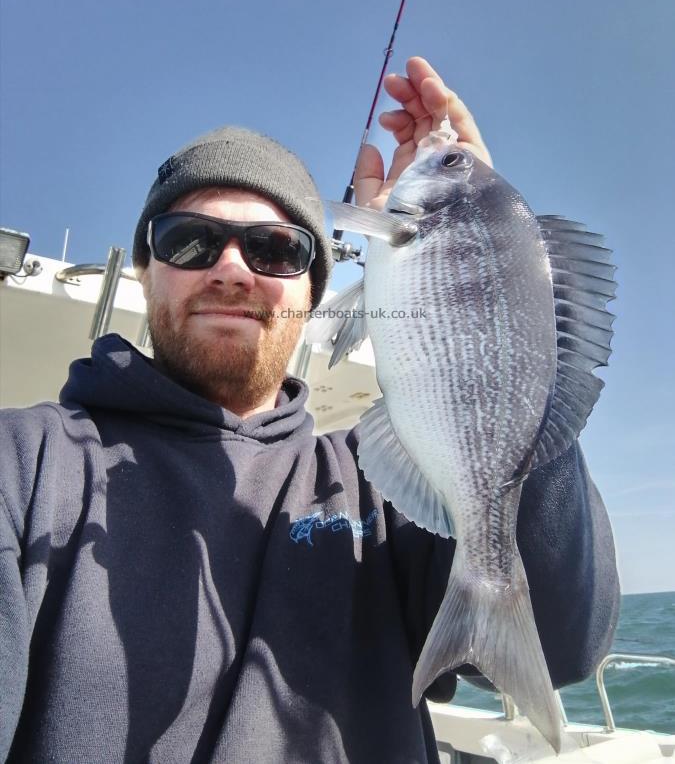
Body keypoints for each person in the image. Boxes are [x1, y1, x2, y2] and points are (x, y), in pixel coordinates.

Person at [0, 58, 620, 764]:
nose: (231, 267)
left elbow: (565, 640)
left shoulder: (379, 482)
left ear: (312, 288)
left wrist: (503, 292)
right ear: (147, 269)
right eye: (188, 239)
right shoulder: (24, 467)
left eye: (274, 248)